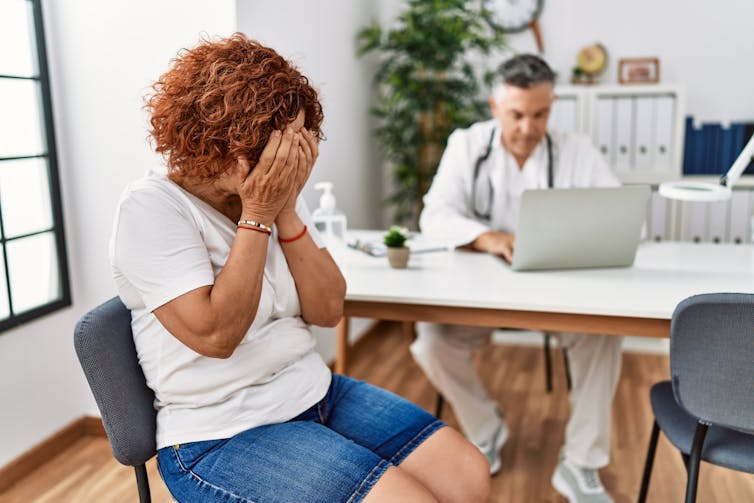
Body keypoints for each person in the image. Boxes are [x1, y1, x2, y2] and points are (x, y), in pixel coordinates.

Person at [109, 34, 490, 503]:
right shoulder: (152, 209)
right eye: (280, 144)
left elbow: (328, 309)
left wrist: (284, 209)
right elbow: (216, 337)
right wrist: (259, 214)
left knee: (468, 476)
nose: (290, 156)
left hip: (312, 389)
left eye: (299, 140)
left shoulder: (272, 193)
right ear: (221, 142)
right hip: (221, 431)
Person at [410, 54, 622, 503]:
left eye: (540, 114)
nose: (528, 127)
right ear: (494, 106)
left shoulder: (576, 150)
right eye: (517, 115)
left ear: (553, 106)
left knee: (603, 336)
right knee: (430, 340)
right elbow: (435, 216)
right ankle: (486, 426)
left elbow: (621, 217)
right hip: (481, 297)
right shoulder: (467, 145)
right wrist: (488, 238)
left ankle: (581, 463)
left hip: (560, 297)